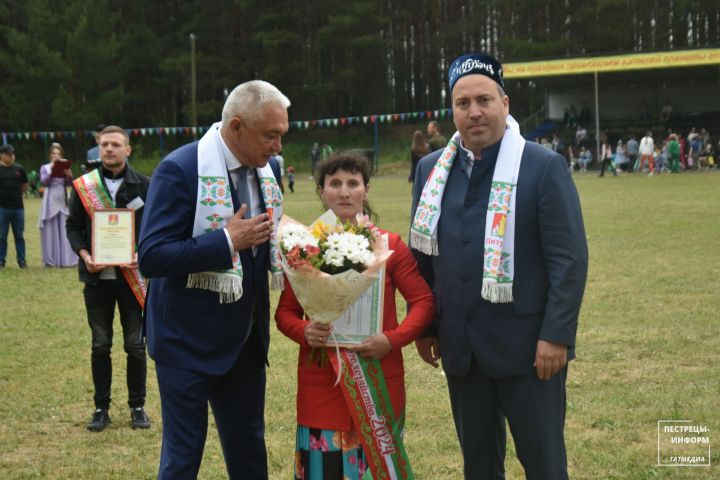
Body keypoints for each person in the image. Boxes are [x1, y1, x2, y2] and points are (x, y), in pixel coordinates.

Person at [410, 53, 588, 479]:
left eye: (484, 100)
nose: (474, 112)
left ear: (505, 103)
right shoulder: (430, 171)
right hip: (462, 348)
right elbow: (425, 259)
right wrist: (429, 326)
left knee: (544, 465)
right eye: (463, 102)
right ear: (451, 109)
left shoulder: (544, 167)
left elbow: (569, 259)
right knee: (479, 466)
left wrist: (556, 336)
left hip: (530, 351)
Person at [138, 80, 289, 479]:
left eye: (282, 135)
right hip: (186, 342)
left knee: (249, 454)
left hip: (246, 343)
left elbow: (265, 244)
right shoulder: (179, 169)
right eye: (270, 136)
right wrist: (225, 242)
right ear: (236, 127)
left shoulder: (269, 169)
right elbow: (151, 257)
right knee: (183, 457)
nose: (278, 148)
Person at [275, 152, 435, 479]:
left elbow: (423, 302)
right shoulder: (303, 249)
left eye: (353, 182)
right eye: (335, 183)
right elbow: (285, 313)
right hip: (321, 387)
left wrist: (392, 339)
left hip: (378, 383)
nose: (344, 191)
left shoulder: (389, 246)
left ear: (366, 189)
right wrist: (304, 331)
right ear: (322, 191)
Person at [66, 126, 151, 431]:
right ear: (98, 149)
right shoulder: (82, 186)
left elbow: (156, 227)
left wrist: (143, 256)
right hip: (96, 279)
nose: (110, 149)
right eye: (104, 144)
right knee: (100, 344)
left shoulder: (144, 185)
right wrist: (85, 255)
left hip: (132, 278)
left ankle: (138, 407)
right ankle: (101, 409)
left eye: (116, 144)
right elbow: (73, 226)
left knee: (135, 346)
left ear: (128, 150)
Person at [38, 143, 78, 267]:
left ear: (61, 154)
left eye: (58, 153)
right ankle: (51, 259)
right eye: (54, 153)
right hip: (50, 198)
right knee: (50, 228)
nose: (56, 155)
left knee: (64, 227)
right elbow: (44, 182)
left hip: (62, 197)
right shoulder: (45, 167)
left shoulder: (64, 165)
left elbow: (70, 183)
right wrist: (52, 172)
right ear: (50, 155)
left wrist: (69, 176)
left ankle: (66, 259)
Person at [0, 144, 28, 269]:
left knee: (19, 236)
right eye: (8, 154)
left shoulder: (19, 169)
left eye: (12, 154)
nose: (11, 156)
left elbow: (24, 185)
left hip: (18, 208)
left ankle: (21, 261)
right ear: (2, 155)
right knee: (1, 236)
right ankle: (1, 261)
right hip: (2, 209)